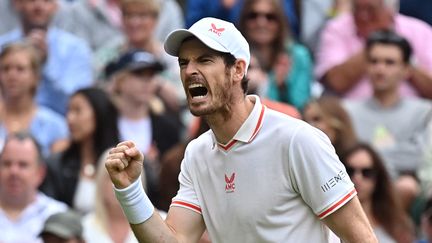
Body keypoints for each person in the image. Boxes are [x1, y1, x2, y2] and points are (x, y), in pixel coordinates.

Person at [105, 17, 377, 242]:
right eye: (184, 62)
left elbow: (361, 238)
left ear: (237, 70)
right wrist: (130, 191)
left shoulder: (297, 140)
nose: (189, 71)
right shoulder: (197, 154)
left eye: (205, 60)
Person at [106, 49, 182, 208]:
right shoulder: (103, 122)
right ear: (120, 80)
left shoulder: (168, 125)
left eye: (152, 75)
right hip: (111, 204)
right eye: (139, 74)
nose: (147, 82)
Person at [315, 0, 432, 99]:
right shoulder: (337, 29)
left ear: (390, 10)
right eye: (357, 9)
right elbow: (336, 82)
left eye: (371, 10)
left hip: (413, 115)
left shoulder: (420, 31)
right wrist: (375, 41)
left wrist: (405, 60)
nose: (363, 16)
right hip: (350, 116)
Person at [0, 0, 93, 115]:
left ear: (56, 6)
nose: (39, 6)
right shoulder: (2, 46)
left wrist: (46, 65)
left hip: (62, 127)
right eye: (32, 0)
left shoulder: (76, 49)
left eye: (46, 1)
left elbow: (77, 104)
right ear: (17, 3)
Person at [41, 88, 120, 214]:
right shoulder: (57, 165)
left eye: (78, 111)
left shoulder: (124, 162)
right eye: (68, 111)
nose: (69, 119)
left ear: (99, 112)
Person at [238, 0, 313, 111]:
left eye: (270, 17)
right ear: (244, 20)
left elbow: (302, 106)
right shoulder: (235, 56)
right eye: (253, 16)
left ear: (280, 22)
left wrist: (281, 86)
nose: (261, 23)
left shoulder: (298, 56)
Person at [0, 42, 69, 158]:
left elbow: (58, 171)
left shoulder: (55, 125)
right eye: (6, 69)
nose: (12, 75)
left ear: (36, 77)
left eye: (20, 69)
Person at [340, 143, 415, 243]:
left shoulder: (397, 222)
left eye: (367, 172)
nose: (358, 178)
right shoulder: (332, 222)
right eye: (350, 171)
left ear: (378, 178)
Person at [0, 132, 67, 243]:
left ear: (40, 173)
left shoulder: (58, 215)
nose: (14, 172)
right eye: (7, 164)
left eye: (23, 165)